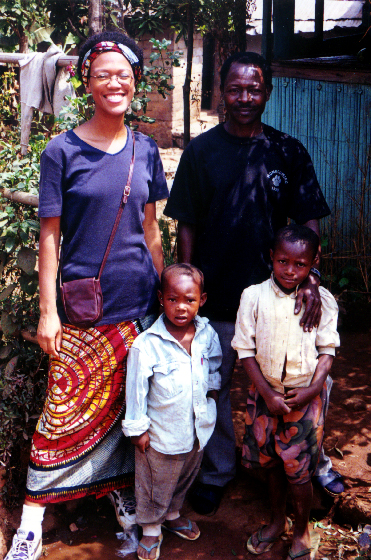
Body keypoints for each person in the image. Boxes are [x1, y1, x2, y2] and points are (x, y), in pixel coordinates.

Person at [5, 31, 169, 560]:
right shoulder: (62, 150)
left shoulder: (146, 150)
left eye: (124, 75)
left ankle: (121, 497)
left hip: (136, 308)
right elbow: (49, 235)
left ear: (135, 82)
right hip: (81, 312)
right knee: (61, 412)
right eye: (104, 74)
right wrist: (47, 311)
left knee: (126, 411)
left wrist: (166, 297)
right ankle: (32, 520)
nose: (115, 83)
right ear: (87, 81)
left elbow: (151, 229)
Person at [164, 51, 343, 515]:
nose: (245, 97)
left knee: (296, 381)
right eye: (236, 88)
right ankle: (220, 470)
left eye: (254, 88)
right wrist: (191, 285)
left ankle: (302, 463)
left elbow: (307, 220)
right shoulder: (201, 152)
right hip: (218, 296)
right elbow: (186, 222)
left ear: (267, 92)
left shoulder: (287, 151)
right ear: (222, 93)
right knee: (216, 387)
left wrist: (311, 279)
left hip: (281, 301)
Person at [232, 224, 340, 560]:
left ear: (313, 264)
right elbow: (245, 351)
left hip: (304, 400)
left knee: (299, 470)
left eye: (300, 265)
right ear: (271, 258)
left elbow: (327, 351)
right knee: (271, 464)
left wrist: (313, 390)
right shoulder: (253, 296)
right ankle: (277, 520)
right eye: (282, 262)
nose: (290, 270)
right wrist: (265, 393)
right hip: (264, 397)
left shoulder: (322, 301)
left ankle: (302, 529)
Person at [122, 263, 222, 560]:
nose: (181, 307)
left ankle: (173, 513)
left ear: (201, 300)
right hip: (160, 434)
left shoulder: (207, 334)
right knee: (155, 482)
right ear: (160, 298)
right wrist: (137, 429)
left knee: (185, 474)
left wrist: (212, 395)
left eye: (189, 300)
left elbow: (214, 365)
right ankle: (151, 527)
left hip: (196, 428)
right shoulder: (147, 344)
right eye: (172, 299)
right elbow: (136, 390)